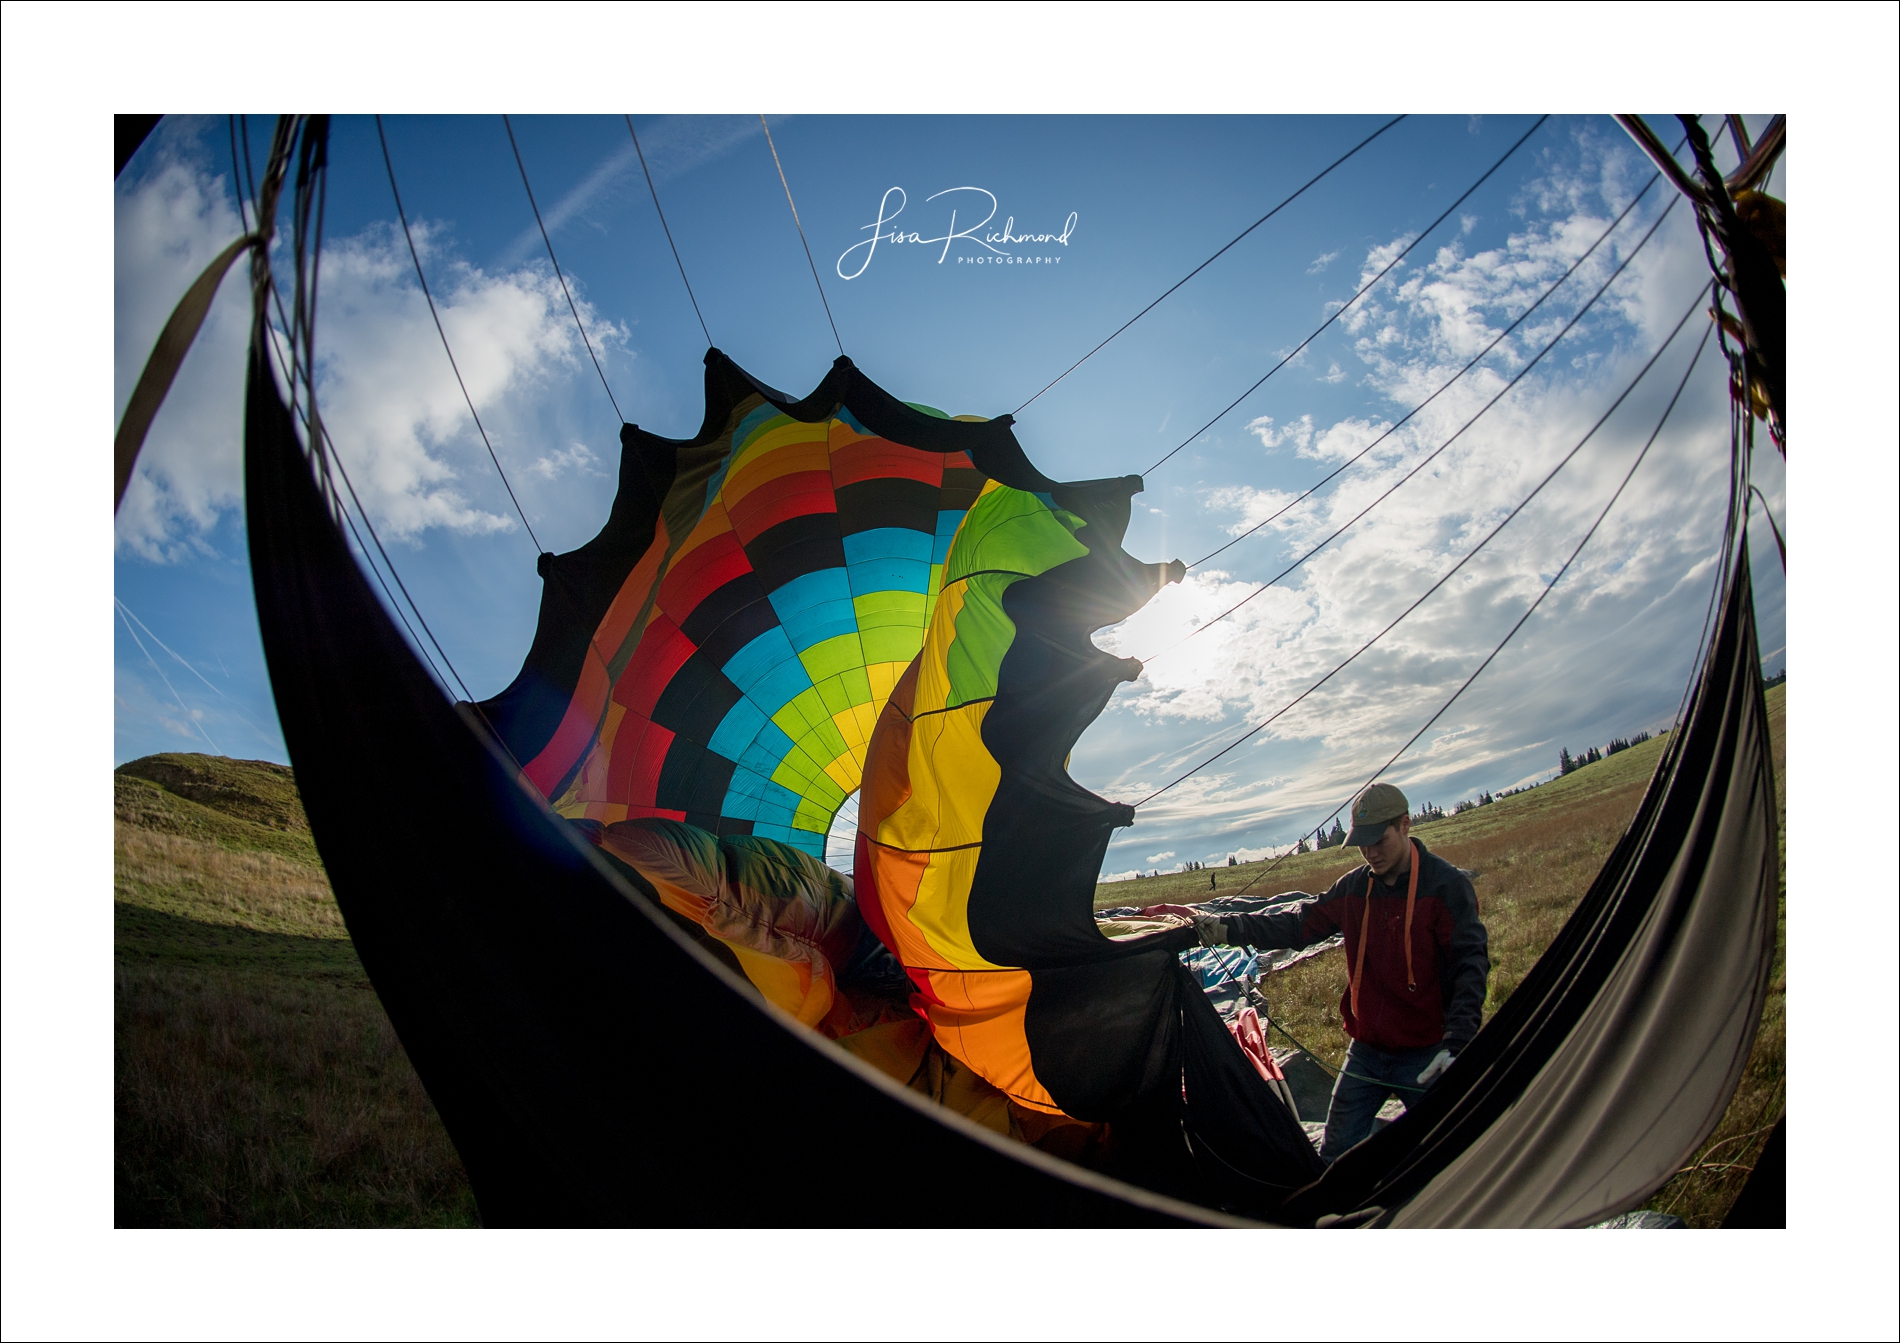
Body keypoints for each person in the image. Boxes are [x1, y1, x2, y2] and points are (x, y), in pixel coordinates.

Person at [1192, 782, 1489, 1162]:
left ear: (1405, 825)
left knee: (1454, 1154)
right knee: (1335, 1156)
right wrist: (1229, 929)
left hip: (1427, 1054)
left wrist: (1458, 1043)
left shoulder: (1446, 887)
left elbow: (1471, 964)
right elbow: (1299, 924)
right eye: (1362, 843)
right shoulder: (1352, 889)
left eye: (1378, 840)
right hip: (1366, 1052)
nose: (1370, 853)